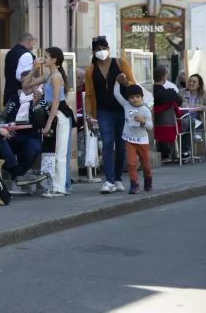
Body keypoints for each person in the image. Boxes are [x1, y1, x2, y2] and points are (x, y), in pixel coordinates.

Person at [83, 36, 135, 194]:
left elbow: (134, 85)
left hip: (122, 109)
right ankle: (109, 181)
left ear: (109, 48)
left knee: (120, 145)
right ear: (93, 51)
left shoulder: (120, 63)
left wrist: (125, 82)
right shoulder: (90, 70)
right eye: (98, 49)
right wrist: (89, 116)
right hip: (103, 111)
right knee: (107, 143)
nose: (101, 52)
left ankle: (118, 179)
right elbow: (90, 95)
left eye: (104, 48)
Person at [36, 47, 74, 198]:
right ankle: (55, 186)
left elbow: (56, 102)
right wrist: (34, 69)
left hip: (60, 116)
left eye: (45, 57)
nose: (43, 59)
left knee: (60, 152)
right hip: (54, 115)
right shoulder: (49, 75)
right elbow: (26, 85)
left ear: (54, 60)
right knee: (53, 151)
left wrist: (48, 124)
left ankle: (59, 187)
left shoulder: (56, 77)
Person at [113, 81, 153, 194]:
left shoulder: (145, 110)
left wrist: (143, 121)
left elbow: (150, 126)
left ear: (141, 97)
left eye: (137, 97)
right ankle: (134, 185)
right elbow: (117, 94)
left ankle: (148, 178)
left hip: (142, 141)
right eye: (131, 97)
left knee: (145, 164)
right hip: (129, 139)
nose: (134, 99)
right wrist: (117, 81)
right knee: (131, 163)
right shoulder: (126, 105)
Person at [152, 65, 183, 162]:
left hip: (153, 125)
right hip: (170, 124)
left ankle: (167, 153)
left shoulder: (148, 91)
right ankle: (184, 151)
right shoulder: (170, 92)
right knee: (190, 123)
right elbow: (179, 102)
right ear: (165, 77)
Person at [2, 33, 39, 107]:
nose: (33, 46)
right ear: (29, 41)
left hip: (9, 95)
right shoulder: (26, 55)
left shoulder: (10, 52)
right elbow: (25, 79)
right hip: (21, 99)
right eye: (34, 43)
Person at [181, 73, 206, 154]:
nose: (191, 83)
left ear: (199, 85)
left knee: (187, 125)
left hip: (199, 120)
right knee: (186, 123)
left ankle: (185, 152)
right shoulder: (182, 92)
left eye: (194, 82)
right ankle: (192, 140)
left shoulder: (204, 94)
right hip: (184, 118)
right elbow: (180, 104)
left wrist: (198, 107)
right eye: (190, 81)